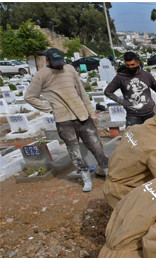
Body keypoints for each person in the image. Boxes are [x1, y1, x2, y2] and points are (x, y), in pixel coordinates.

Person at [25, 48, 109, 192]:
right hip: (64, 120)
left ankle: (108, 172)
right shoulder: (41, 75)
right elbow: (29, 96)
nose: (59, 66)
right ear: (47, 61)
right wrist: (49, 109)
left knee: (96, 146)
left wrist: (92, 114)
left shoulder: (69, 69)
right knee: (74, 150)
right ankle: (85, 178)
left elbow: (82, 93)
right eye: (55, 63)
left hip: (82, 114)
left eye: (60, 62)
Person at [103, 109, 156, 208]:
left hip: (110, 183)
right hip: (123, 193)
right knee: (138, 219)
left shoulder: (134, 128)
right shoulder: (155, 148)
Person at [104, 51, 156, 126]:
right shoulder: (120, 77)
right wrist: (122, 102)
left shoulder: (146, 75)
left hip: (149, 114)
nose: (130, 67)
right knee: (133, 138)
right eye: (127, 65)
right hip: (133, 116)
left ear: (138, 63)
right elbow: (108, 91)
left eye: (132, 65)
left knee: (152, 137)